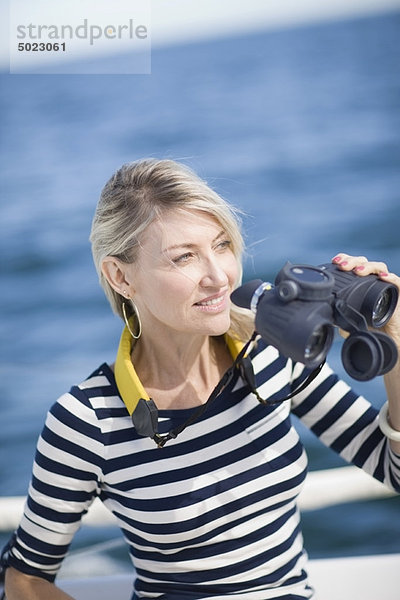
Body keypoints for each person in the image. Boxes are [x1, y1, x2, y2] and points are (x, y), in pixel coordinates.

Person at [2, 158, 400, 600]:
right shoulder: (87, 422)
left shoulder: (273, 351)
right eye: (184, 257)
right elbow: (25, 580)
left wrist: (395, 343)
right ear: (121, 277)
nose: (218, 277)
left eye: (222, 245)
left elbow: (393, 468)